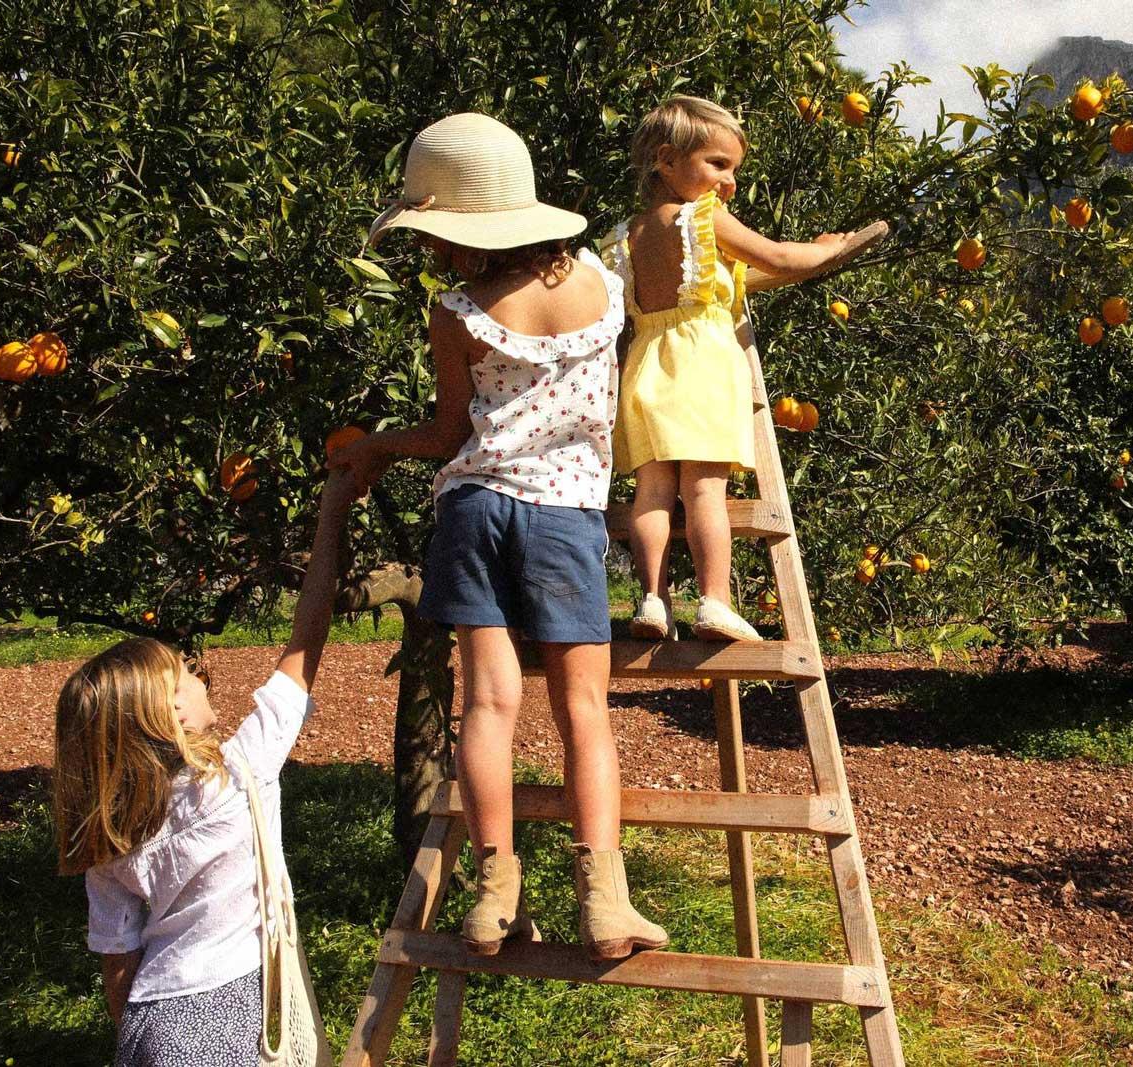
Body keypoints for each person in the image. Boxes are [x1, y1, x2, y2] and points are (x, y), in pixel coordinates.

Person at [330, 112, 667, 961]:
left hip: (475, 509)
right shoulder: (601, 283)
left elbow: (449, 435)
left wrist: (378, 445)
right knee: (582, 708)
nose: (432, 251)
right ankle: (605, 902)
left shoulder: (457, 313)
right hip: (565, 514)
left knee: (487, 704)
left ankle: (492, 898)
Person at [51, 470, 356, 1066]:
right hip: (228, 1014)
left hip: (151, 1021)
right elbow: (307, 639)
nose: (197, 673)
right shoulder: (241, 774)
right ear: (171, 714)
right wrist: (332, 514)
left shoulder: (111, 827)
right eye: (183, 674)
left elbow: (118, 961)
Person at [603, 95, 855, 642]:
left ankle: (652, 600)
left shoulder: (628, 235)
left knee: (651, 492)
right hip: (701, 366)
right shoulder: (704, 218)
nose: (729, 183)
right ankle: (714, 601)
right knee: (704, 492)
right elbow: (778, 258)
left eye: (734, 169)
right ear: (667, 160)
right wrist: (827, 249)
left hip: (645, 368)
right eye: (718, 164)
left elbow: (637, 309)